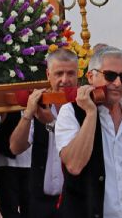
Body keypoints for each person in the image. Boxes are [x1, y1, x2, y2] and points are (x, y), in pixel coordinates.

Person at [56, 46, 122, 218]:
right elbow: (74, 165)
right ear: (91, 77)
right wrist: (90, 113)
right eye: (110, 76)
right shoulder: (71, 112)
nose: (117, 83)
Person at [9, 48, 79, 218]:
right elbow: (15, 147)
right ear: (48, 74)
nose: (65, 80)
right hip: (41, 202)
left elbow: (78, 149)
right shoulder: (40, 104)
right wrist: (28, 113)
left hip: (76, 200)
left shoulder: (85, 106)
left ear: (78, 74)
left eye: (70, 73)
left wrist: (51, 124)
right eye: (59, 73)